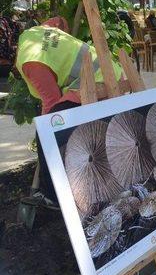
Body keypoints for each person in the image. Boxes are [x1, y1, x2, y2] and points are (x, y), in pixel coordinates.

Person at [14, 17, 124, 203]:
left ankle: (52, 195)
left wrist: (46, 127)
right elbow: (59, 21)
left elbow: (52, 102)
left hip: (96, 81)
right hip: (111, 71)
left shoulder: (31, 63)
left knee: (46, 132)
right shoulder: (31, 34)